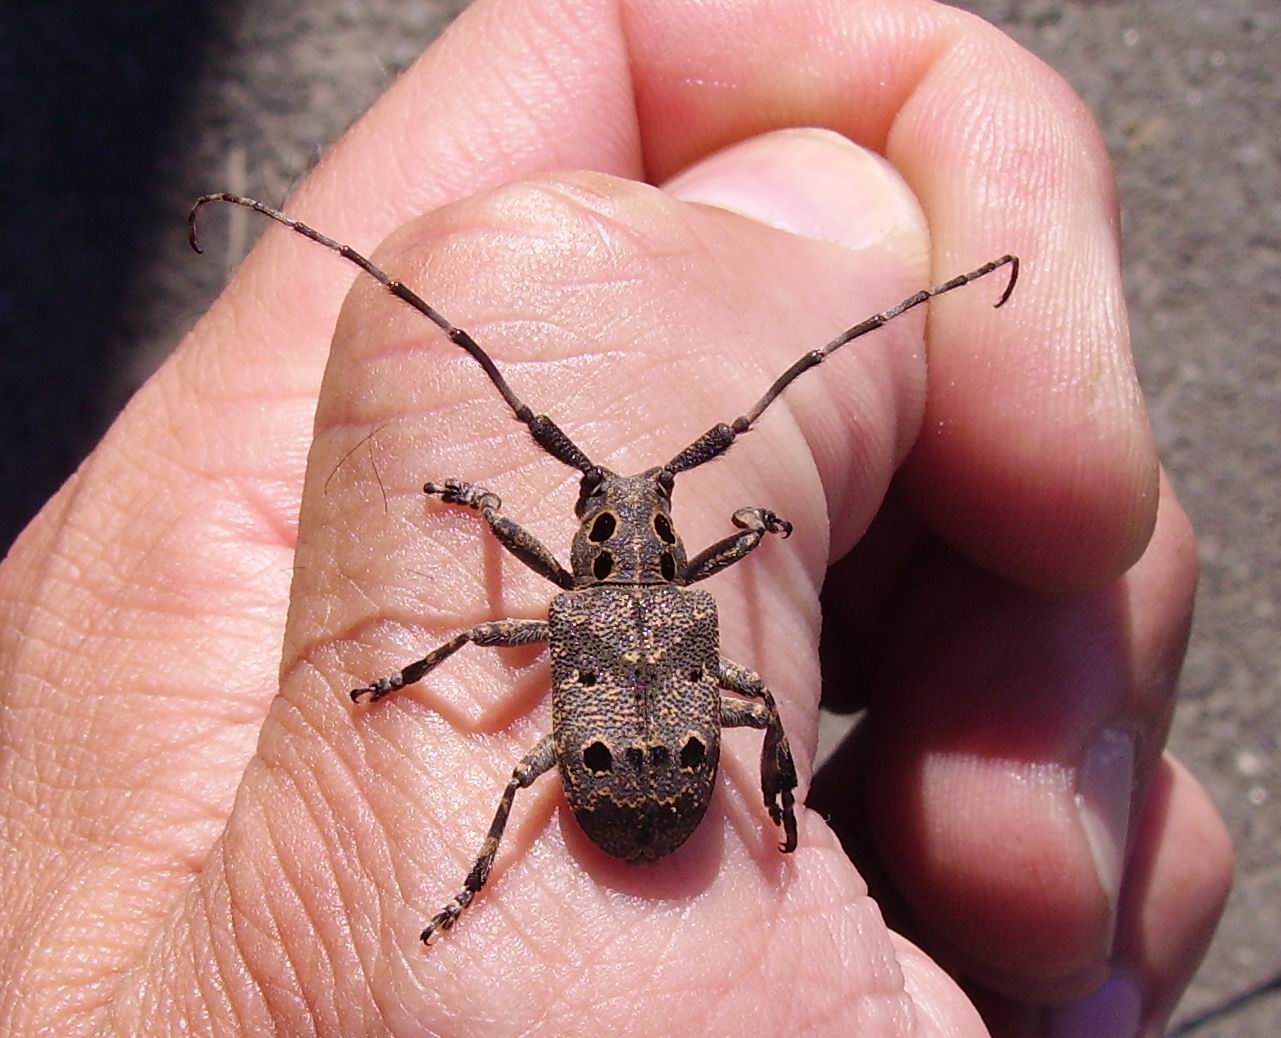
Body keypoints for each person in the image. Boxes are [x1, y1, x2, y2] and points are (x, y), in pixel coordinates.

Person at [0, 0, 1231, 1034]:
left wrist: (449, 572)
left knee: (520, 730)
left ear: (594, 541)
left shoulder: (576, 602)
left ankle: (475, 883)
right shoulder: (690, 594)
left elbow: (482, 645)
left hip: (625, 791)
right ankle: (764, 818)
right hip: (665, 793)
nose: (624, 507)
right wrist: (745, 564)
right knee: (728, 710)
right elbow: (730, 677)